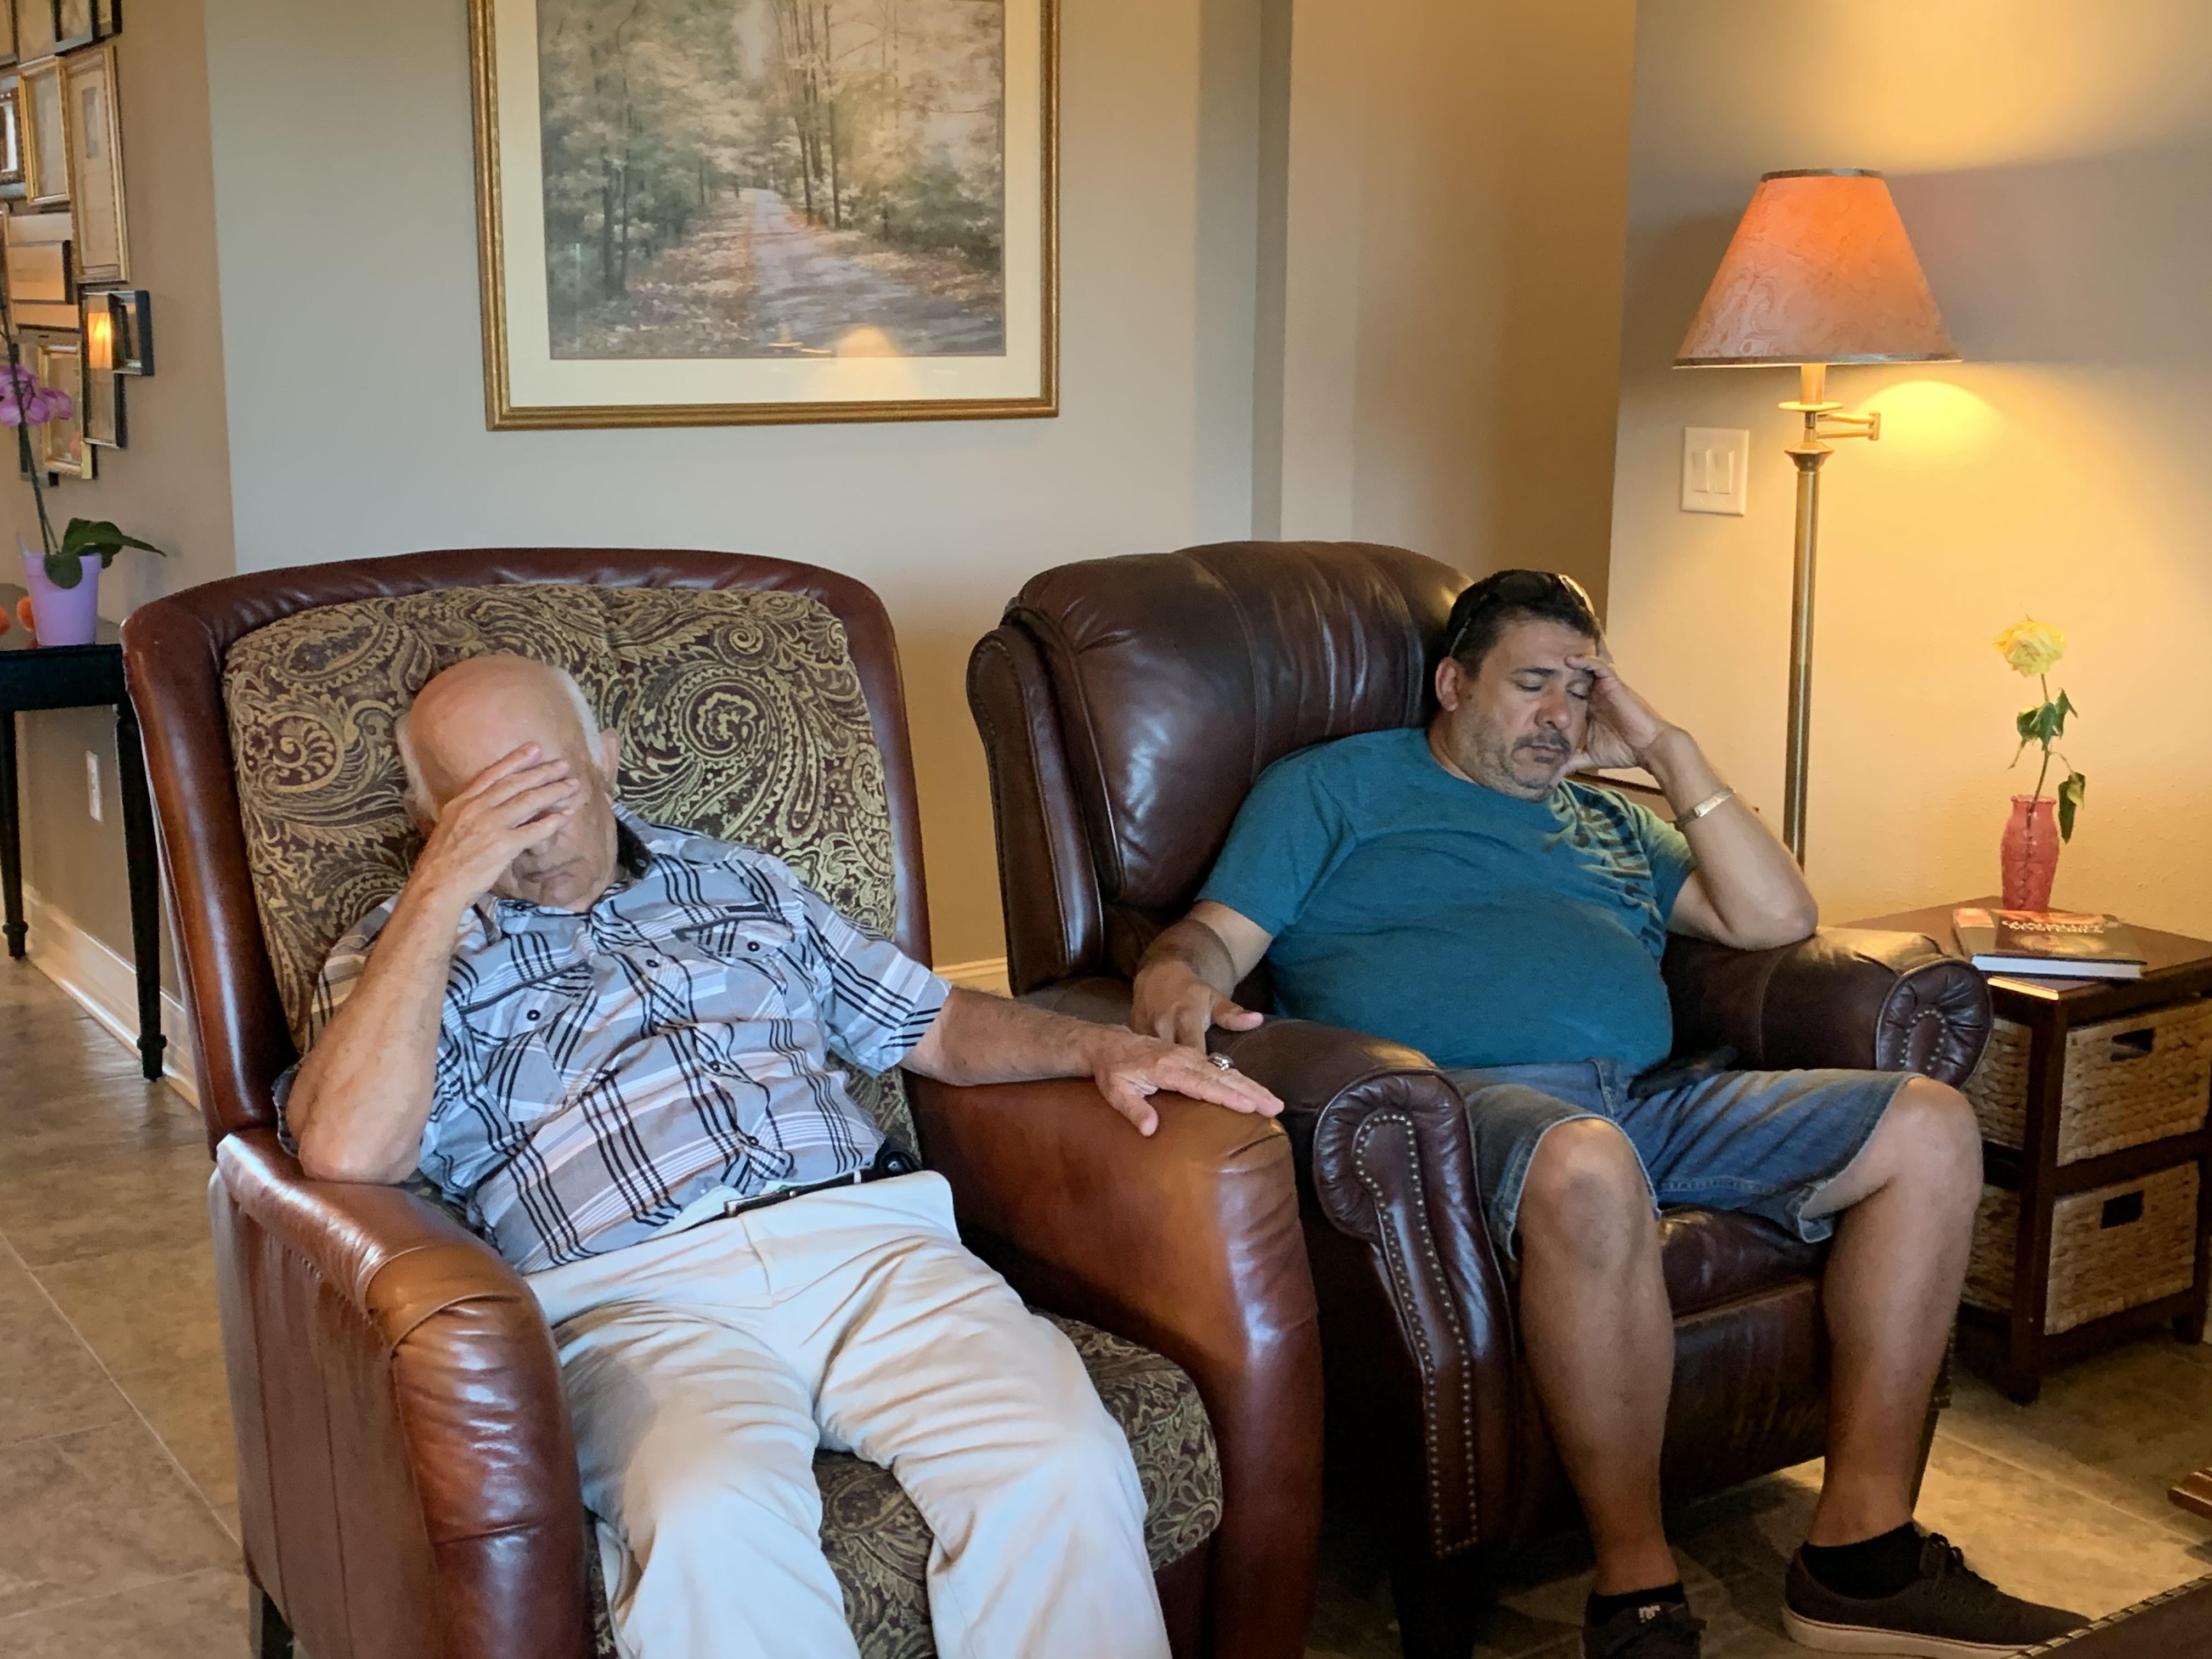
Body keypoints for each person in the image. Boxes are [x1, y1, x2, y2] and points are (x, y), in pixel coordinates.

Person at [1130, 571, 2086, 1659]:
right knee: (1587, 1163)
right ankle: (1635, 1591)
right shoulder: (1335, 789)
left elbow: (1778, 916)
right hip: (1456, 1112)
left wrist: (1667, 753)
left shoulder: (1610, 823)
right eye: (1533, 684)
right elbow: (1212, 938)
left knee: (1928, 1126)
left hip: (1646, 1101)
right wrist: (1174, 978)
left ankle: (1858, 1556)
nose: (1560, 715)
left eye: (1581, 692)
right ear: (1451, 683)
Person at [279, 653, 1283, 1659]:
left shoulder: (738, 878)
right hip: (625, 1298)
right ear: (425, 816)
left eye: (548, 789)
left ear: (608, 760)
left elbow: (928, 1023)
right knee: (710, 1514)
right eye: (480, 809)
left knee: (1058, 1458)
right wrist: (441, 891)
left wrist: (1110, 1047)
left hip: (871, 1246)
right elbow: (344, 1149)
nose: (530, 837)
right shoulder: (394, 957)